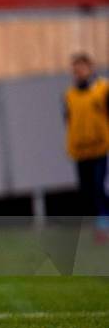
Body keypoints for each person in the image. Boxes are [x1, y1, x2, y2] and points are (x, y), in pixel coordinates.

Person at [63, 53, 109, 221]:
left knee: (99, 187)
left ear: (90, 68)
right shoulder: (69, 95)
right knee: (87, 191)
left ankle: (104, 220)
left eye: (81, 68)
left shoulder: (102, 89)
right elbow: (68, 121)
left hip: (100, 148)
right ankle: (94, 226)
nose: (79, 73)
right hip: (81, 149)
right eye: (75, 70)